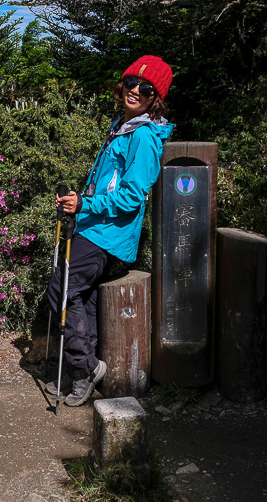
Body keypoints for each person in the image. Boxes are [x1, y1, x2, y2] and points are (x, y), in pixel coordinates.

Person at [46, 55, 174, 407]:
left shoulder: (144, 136)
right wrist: (78, 204)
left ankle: (85, 368)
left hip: (109, 232)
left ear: (155, 98)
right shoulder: (123, 125)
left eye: (145, 88)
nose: (135, 90)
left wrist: (85, 206)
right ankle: (85, 369)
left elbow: (132, 196)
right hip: (93, 226)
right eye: (132, 82)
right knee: (80, 295)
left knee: (62, 288)